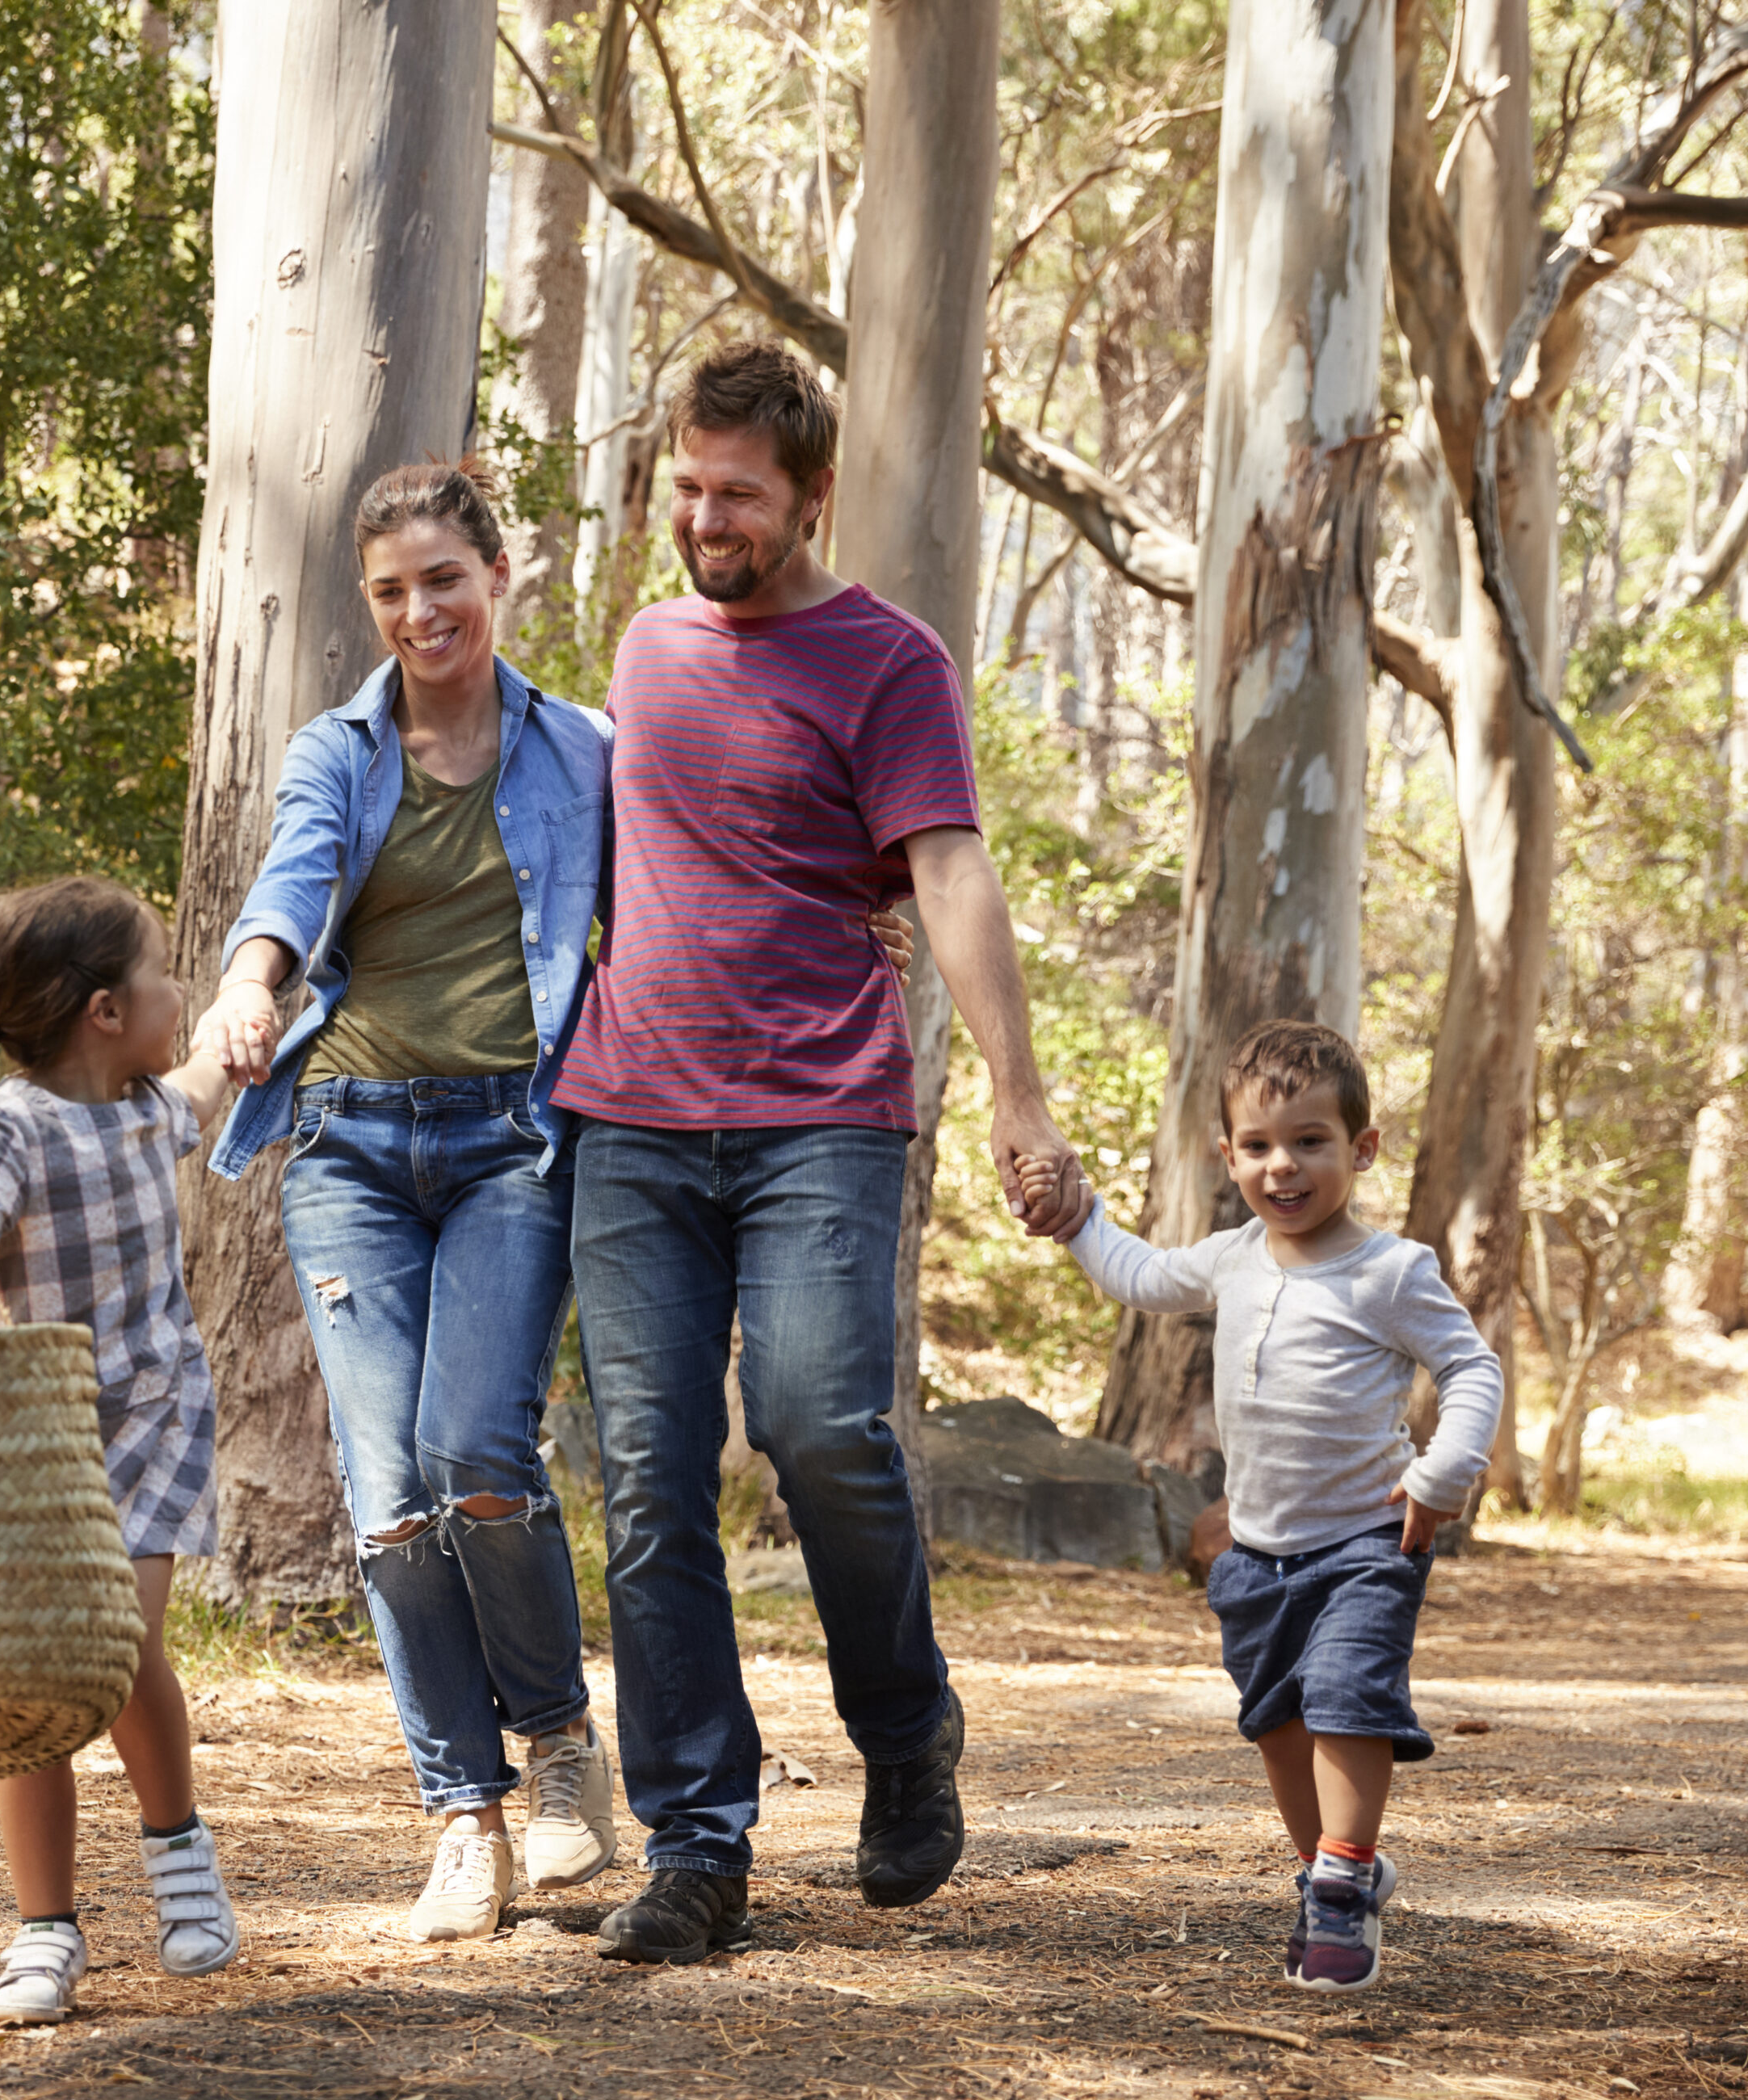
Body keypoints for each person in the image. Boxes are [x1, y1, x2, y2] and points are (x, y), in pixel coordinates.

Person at [193, 457, 917, 1944]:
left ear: (498, 576)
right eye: (389, 591)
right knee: (389, 1505)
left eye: (442, 581)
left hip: (516, 1141)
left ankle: (563, 1752)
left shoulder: (578, 746)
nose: (418, 612)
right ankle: (461, 1815)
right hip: (345, 1144)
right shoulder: (335, 750)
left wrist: (856, 904)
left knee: (476, 1453)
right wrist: (245, 991)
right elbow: (288, 889)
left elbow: (698, 857)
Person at [553, 338, 1094, 1965]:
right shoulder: (643, 651)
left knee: (819, 1428)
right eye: (687, 488)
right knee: (649, 1477)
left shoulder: (889, 660)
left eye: (739, 494)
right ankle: (697, 1843)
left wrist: (1019, 1090)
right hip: (631, 1123)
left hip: (820, 1120)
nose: (706, 518)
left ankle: (907, 1727)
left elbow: (948, 872)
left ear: (810, 496)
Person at [1031, 1019, 1502, 1993]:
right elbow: (1138, 1272)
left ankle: (1339, 1883)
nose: (1282, 1166)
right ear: (1228, 1154)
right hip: (1258, 1554)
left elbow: (1470, 1367)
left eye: (1310, 1141)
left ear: (1361, 1148)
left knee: (1344, 1700)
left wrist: (1444, 1470)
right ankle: (1334, 1867)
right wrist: (1076, 1214)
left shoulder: (1390, 1270)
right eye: (1258, 1145)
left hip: (1369, 1539)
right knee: (1279, 1721)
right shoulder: (1235, 1255)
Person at [0, 876, 244, 2025]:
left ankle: (176, 1845)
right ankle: (46, 1926)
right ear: (106, 1010)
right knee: (33, 1678)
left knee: (118, 1645)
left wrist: (256, 1024)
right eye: (163, 974)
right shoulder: (14, 1121)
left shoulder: (152, 1107)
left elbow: (213, 1076)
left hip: (154, 1419)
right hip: (39, 1438)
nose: (180, 991)